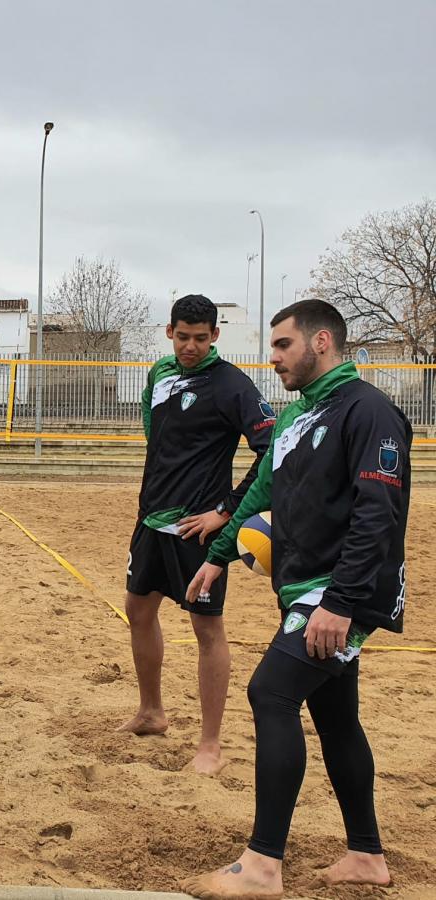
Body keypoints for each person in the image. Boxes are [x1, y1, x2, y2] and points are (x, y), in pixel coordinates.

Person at [183, 299, 408, 898]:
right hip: (305, 586)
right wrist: (218, 553)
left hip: (338, 592)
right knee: (336, 719)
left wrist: (341, 602)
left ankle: (261, 866)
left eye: (283, 345)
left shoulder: (370, 412)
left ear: (322, 342)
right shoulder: (297, 417)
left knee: (271, 692)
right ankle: (365, 855)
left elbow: (377, 515)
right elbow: (261, 489)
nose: (273, 356)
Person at [119, 294, 275, 774]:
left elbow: (271, 452)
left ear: (215, 336)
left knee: (207, 629)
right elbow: (156, 435)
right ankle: (152, 712)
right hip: (151, 521)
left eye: (200, 338)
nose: (190, 346)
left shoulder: (234, 386)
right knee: (138, 610)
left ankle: (210, 746)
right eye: (183, 336)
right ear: (169, 332)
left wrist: (225, 512)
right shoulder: (159, 374)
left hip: (197, 530)